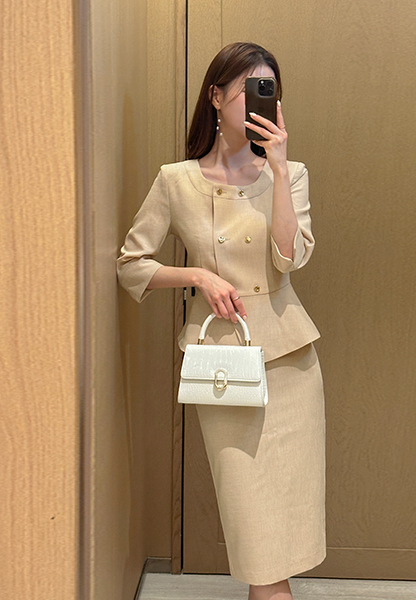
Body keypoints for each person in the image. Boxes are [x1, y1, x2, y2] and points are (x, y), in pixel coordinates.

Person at [117, 42, 326, 600]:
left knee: (284, 521)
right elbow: (131, 264)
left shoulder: (291, 173)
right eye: (248, 90)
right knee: (250, 512)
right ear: (215, 97)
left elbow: (290, 258)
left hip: (291, 361)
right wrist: (197, 277)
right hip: (224, 368)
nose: (260, 101)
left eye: (269, 91)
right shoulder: (176, 180)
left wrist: (277, 168)